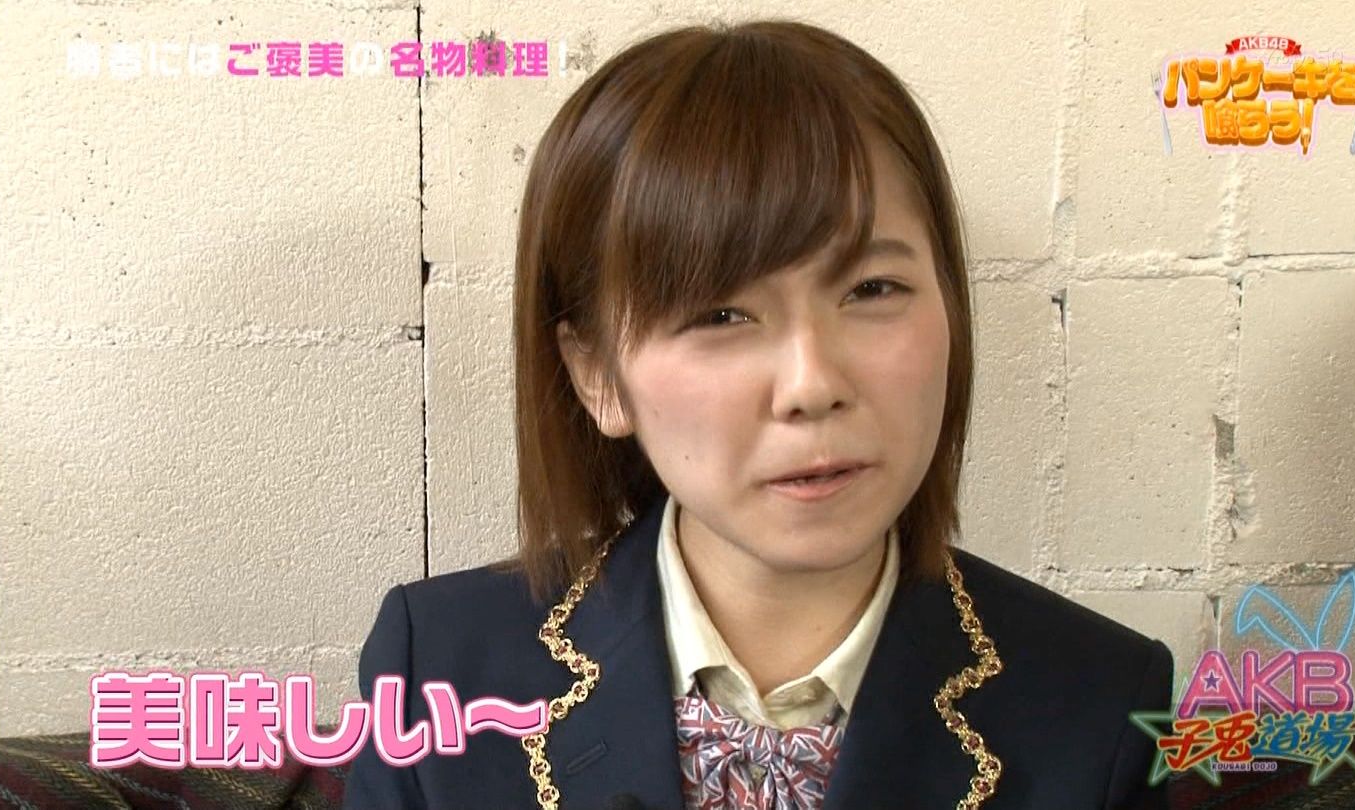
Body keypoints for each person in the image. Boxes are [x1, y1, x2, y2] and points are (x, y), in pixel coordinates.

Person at [344, 19, 1172, 810]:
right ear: (597, 373)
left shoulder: (1101, 701)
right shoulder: (440, 668)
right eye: (721, 314)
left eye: (872, 289)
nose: (811, 385)